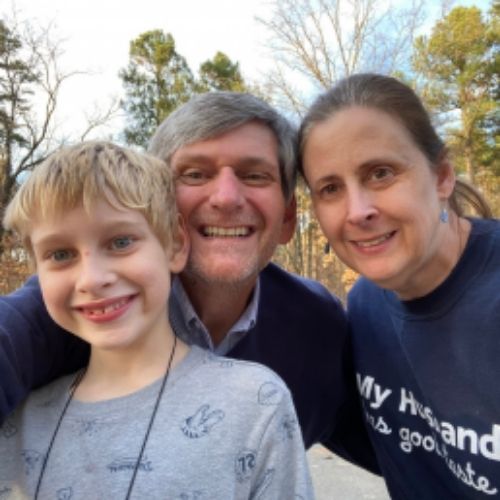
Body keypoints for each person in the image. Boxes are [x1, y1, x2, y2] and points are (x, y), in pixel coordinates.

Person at [0, 92, 378, 471]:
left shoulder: (318, 327)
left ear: (289, 218)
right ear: (159, 205)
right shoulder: (81, 305)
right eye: (195, 174)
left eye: (254, 175)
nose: (227, 198)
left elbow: (399, 448)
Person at [0, 141, 314, 499]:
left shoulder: (255, 403)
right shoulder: (18, 420)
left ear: (175, 245)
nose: (91, 278)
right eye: (60, 254)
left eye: (120, 242)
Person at [299, 72, 499, 499]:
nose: (357, 211)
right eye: (330, 188)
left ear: (442, 175)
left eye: (381, 173)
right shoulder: (366, 305)